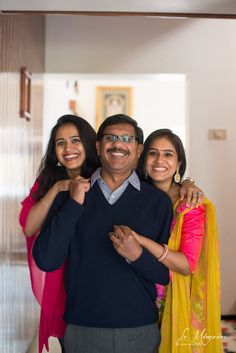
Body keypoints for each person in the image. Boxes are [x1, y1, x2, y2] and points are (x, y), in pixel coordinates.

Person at [32, 114, 175, 353]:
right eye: (110, 138)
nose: (118, 144)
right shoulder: (71, 193)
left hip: (139, 330)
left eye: (126, 138)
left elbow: (164, 275)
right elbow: (46, 259)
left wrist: (136, 255)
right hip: (81, 329)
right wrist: (74, 204)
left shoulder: (158, 202)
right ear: (98, 147)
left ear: (139, 150)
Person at [114, 128, 223, 352]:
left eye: (168, 154)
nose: (159, 160)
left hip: (174, 299)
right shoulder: (134, 195)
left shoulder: (190, 206)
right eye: (153, 153)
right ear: (143, 158)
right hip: (135, 296)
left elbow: (185, 265)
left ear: (178, 162)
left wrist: (141, 240)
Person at [19, 114, 99, 353]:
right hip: (62, 282)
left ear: (88, 143)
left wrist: (185, 180)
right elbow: (30, 226)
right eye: (60, 142)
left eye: (75, 140)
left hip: (95, 279)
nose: (68, 148)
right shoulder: (49, 180)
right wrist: (57, 188)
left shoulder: (104, 176)